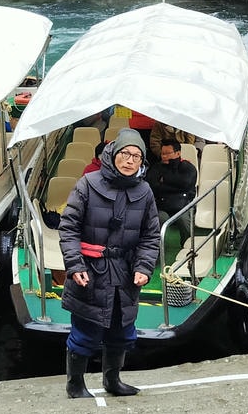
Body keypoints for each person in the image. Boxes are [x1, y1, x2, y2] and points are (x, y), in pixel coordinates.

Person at [57, 128, 162, 399]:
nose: (130, 160)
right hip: (91, 272)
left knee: (122, 331)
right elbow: (69, 228)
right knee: (85, 331)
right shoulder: (87, 184)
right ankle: (75, 384)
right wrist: (75, 264)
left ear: (142, 162)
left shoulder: (145, 191)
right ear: (114, 154)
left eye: (137, 156)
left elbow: (151, 236)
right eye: (125, 154)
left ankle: (112, 380)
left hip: (125, 275)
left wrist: (143, 267)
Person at [148, 138, 198, 227]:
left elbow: (186, 184)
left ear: (178, 153)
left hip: (183, 205)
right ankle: (160, 241)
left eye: (167, 154)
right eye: (163, 153)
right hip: (162, 205)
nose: (164, 156)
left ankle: (188, 241)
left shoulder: (188, 167)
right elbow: (153, 186)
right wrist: (177, 186)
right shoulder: (157, 167)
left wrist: (164, 182)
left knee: (184, 220)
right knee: (160, 219)